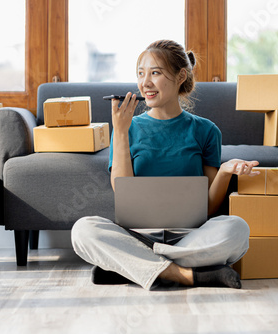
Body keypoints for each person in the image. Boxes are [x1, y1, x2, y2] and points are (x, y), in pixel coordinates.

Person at [71, 40, 259, 290]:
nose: (145, 83)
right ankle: (186, 274)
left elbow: (210, 206)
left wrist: (224, 172)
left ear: (181, 76)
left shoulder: (205, 130)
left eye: (155, 73)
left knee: (237, 229)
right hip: (138, 234)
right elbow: (121, 188)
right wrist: (121, 132)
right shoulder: (127, 128)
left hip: (190, 235)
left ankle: (134, 266)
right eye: (141, 73)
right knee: (83, 231)